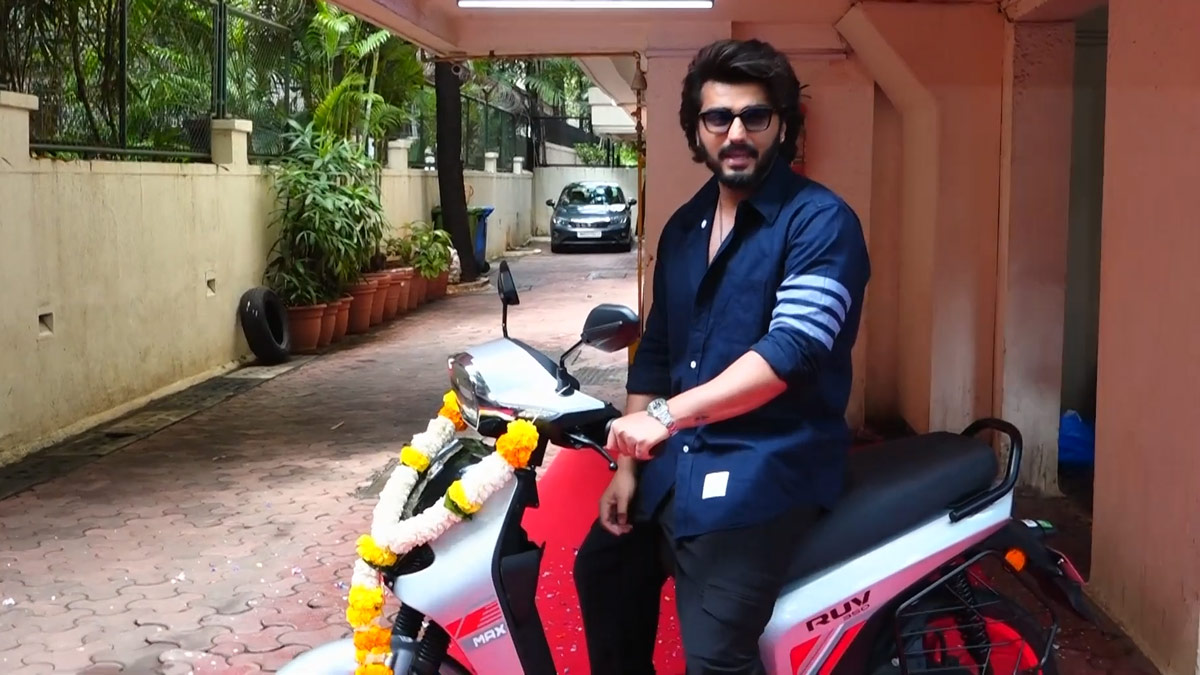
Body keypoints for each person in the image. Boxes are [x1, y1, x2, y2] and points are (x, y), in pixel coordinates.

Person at [573, 38, 871, 675]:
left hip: (766, 470)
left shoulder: (821, 222)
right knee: (603, 569)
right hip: (675, 464)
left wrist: (667, 417)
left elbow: (791, 351)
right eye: (718, 117)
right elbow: (656, 351)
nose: (736, 133)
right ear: (697, 130)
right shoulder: (685, 228)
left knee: (714, 657)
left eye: (754, 116)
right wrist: (627, 467)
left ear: (781, 126)